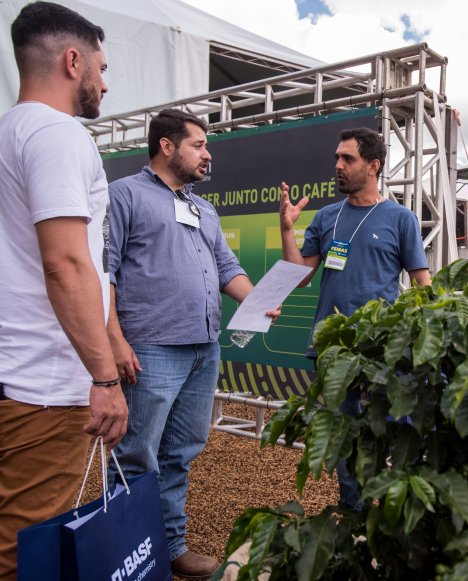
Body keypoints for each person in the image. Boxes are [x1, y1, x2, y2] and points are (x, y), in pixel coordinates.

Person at [0, 2, 128, 578]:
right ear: (74, 61)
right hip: (43, 386)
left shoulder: (6, 132)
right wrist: (104, 379)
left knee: (9, 531)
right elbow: (67, 265)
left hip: (15, 376)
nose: (104, 82)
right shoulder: (58, 134)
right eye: (101, 66)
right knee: (22, 556)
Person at [106, 109, 278, 580]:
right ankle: (126, 556)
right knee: (136, 454)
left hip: (204, 347)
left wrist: (260, 299)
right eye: (198, 145)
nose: (207, 154)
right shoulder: (124, 195)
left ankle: (171, 547)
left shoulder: (205, 209)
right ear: (166, 146)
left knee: (180, 452)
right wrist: (115, 340)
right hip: (151, 348)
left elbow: (227, 269)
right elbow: (106, 275)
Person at [279, 126, 431, 509]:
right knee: (344, 439)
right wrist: (287, 230)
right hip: (332, 349)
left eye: (347, 158)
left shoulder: (401, 219)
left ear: (374, 165)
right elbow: (300, 278)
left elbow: (422, 284)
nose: (338, 165)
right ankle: (353, 517)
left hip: (384, 352)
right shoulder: (327, 216)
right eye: (336, 158)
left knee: (394, 432)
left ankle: (395, 516)